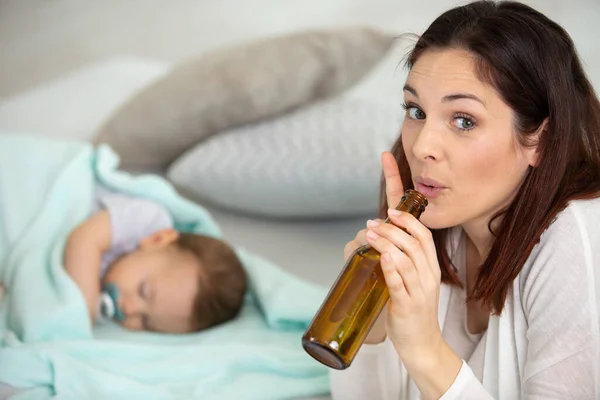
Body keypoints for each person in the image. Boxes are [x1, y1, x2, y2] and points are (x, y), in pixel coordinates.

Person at [330, 1, 600, 399]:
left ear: (540, 140)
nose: (422, 147)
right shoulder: (438, 230)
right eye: (416, 110)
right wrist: (370, 325)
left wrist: (425, 351)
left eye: (464, 120)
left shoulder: (578, 239)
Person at [63, 191, 247, 334]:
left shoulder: (105, 306)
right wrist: (84, 314)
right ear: (158, 240)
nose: (129, 308)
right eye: (143, 290)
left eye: (145, 322)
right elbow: (84, 239)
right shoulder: (146, 220)